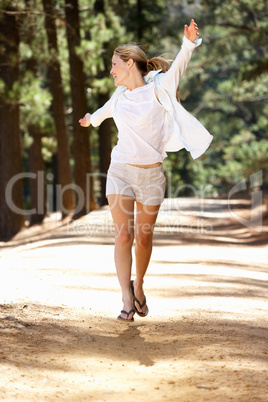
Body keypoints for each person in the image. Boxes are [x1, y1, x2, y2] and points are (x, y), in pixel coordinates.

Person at [79, 19, 213, 321]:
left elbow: (178, 66)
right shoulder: (119, 98)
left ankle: (138, 285)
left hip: (151, 176)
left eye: (114, 64)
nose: (111, 70)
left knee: (144, 238)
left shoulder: (157, 89)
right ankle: (126, 299)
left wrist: (188, 43)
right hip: (121, 172)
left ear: (129, 64)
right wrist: (89, 119)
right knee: (123, 235)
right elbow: (99, 115)